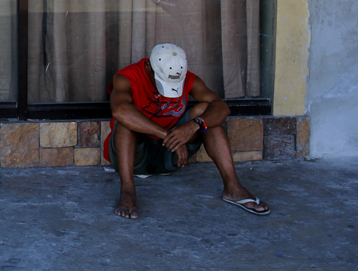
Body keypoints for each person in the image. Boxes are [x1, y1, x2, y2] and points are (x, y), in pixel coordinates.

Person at [104, 43, 269, 220]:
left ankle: (233, 187)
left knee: (206, 112)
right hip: (135, 157)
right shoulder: (127, 77)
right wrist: (168, 134)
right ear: (148, 67)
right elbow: (119, 110)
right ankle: (127, 192)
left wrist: (193, 126)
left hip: (171, 155)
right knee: (125, 121)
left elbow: (222, 108)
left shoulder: (189, 78)